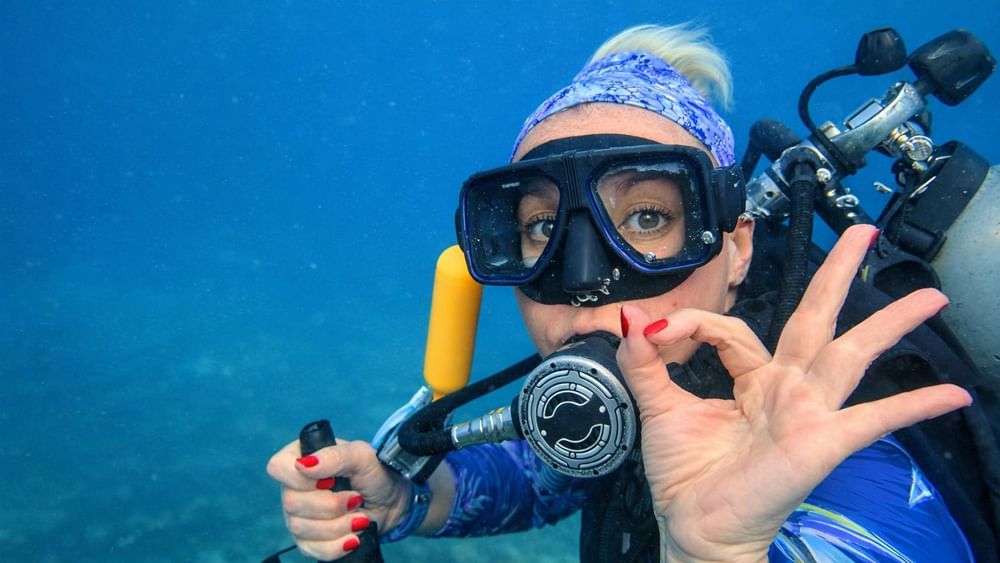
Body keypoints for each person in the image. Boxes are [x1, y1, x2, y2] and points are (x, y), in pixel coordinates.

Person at [267, 23, 980, 561]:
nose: (584, 282)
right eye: (543, 226)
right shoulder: (641, 393)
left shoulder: (836, 433)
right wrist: (407, 497)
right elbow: (546, 473)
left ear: (735, 248)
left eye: (647, 217)